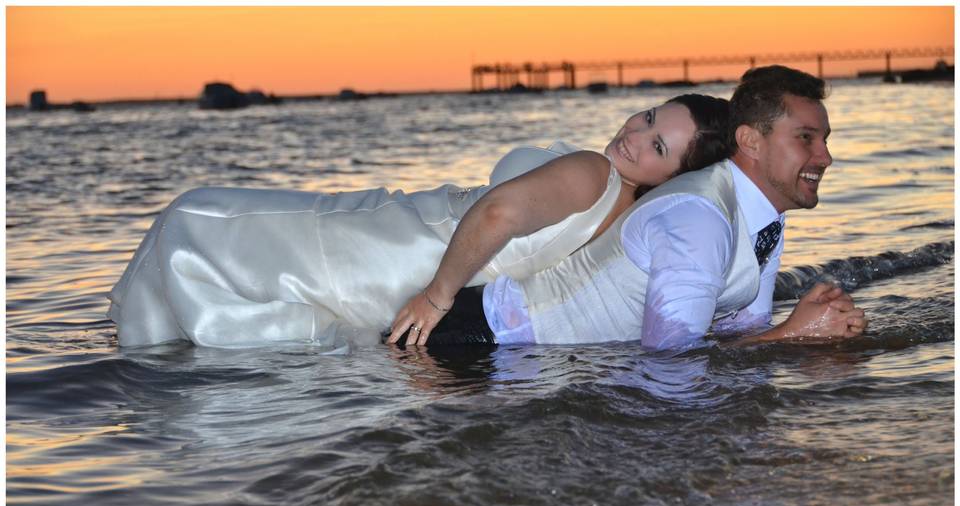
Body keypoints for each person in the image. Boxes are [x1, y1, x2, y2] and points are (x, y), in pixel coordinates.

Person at [108, 94, 730, 348]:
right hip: (406, 248)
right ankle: (174, 350)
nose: (635, 135)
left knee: (197, 218)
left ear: (673, 174)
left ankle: (146, 353)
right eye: (649, 117)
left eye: (657, 146)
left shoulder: (593, 173)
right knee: (224, 241)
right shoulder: (627, 211)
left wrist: (437, 298)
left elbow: (499, 210)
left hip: (404, 242)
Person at [390, 65, 866, 349]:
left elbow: (736, 333)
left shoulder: (764, 220)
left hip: (512, 355)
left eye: (825, 139)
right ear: (750, 142)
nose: (824, 156)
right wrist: (794, 336)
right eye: (806, 138)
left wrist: (803, 331)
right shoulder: (699, 219)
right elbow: (671, 365)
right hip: (476, 343)